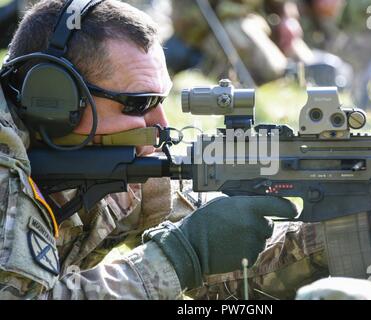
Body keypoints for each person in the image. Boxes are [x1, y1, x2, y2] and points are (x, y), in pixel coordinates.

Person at [0, 0, 300, 299]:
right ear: (52, 99)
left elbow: (243, 267)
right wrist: (177, 258)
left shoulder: (108, 159)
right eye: (139, 104)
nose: (162, 125)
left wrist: (329, 233)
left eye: (160, 101)